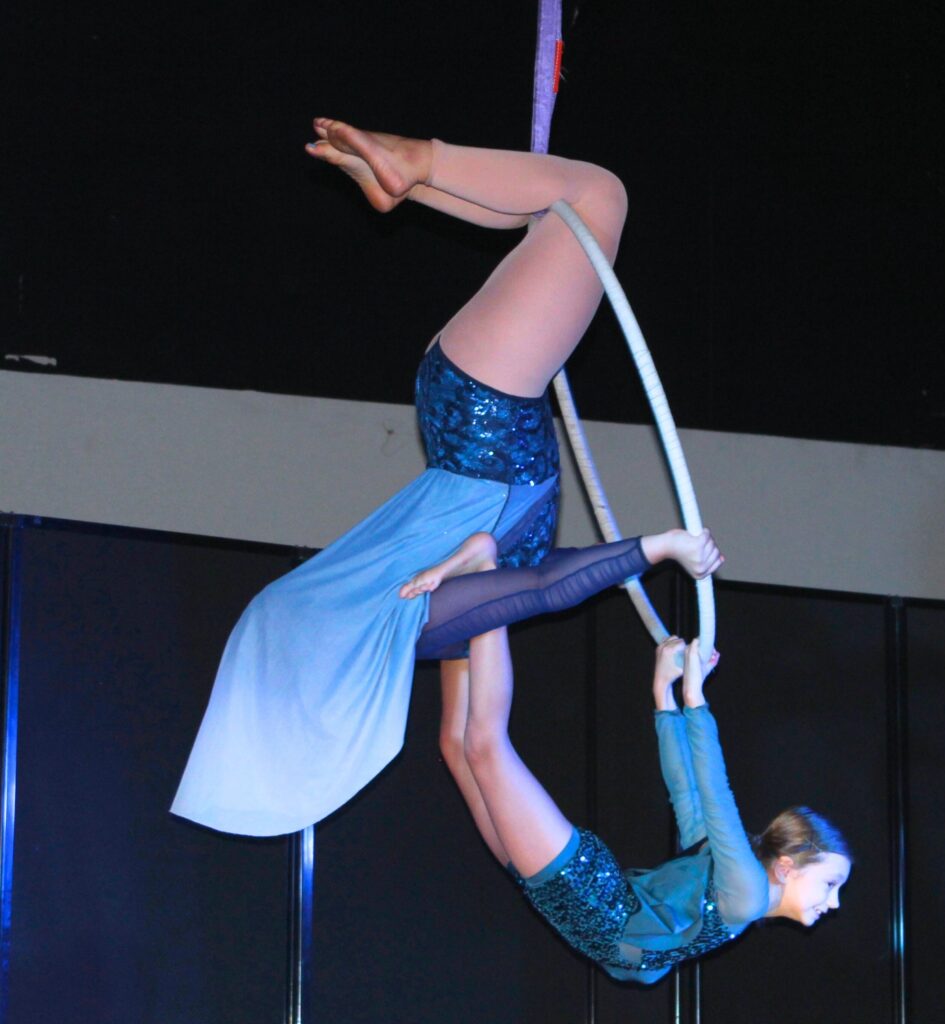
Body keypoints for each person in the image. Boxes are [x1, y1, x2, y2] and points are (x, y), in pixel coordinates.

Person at [171, 118, 724, 836]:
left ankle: (414, 163)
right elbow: (468, 748)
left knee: (595, 197)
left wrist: (660, 549)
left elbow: (540, 588)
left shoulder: (425, 617)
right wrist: (530, 869)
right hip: (465, 408)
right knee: (552, 212)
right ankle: (414, 178)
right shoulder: (440, 634)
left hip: (486, 412)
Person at [442, 553, 851, 982]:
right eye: (829, 884)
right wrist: (693, 697)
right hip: (590, 900)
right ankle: (484, 572)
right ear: (785, 868)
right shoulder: (748, 895)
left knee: (460, 750)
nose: (835, 903)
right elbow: (714, 795)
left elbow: (686, 794)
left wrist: (664, 694)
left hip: (574, 909)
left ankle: (463, 612)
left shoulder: (723, 878)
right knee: (483, 748)